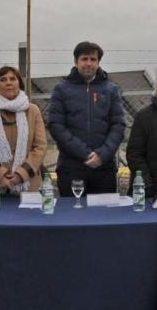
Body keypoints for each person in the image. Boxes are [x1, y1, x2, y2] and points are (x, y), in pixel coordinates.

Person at [46, 41, 126, 197]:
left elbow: (118, 125)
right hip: (71, 168)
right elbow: (56, 125)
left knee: (104, 217)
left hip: (104, 168)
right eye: (84, 59)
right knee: (73, 217)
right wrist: (85, 154)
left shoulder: (111, 89)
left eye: (93, 59)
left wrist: (102, 155)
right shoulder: (61, 89)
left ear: (98, 62)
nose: (88, 63)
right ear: (76, 62)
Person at [0, 66, 47, 192]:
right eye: (3, 79)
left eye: (13, 79)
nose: (8, 82)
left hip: (28, 183)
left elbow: (40, 146)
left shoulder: (33, 110)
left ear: (19, 84)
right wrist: (0, 176)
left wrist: (20, 175)